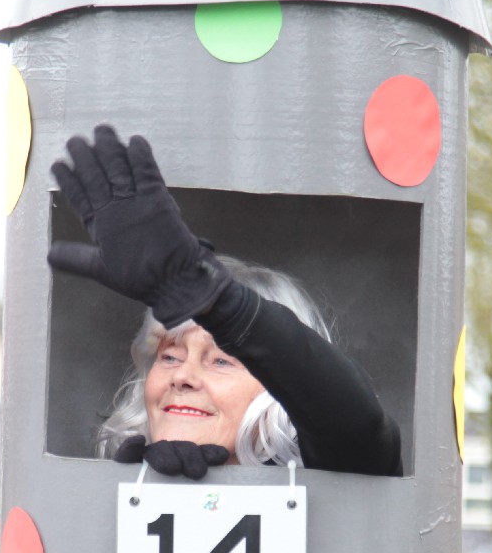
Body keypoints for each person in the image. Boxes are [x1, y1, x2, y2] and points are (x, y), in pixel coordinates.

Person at [49, 125, 402, 479]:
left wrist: (219, 303)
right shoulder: (124, 485)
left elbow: (356, 425)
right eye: (169, 356)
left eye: (221, 360)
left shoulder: (344, 462)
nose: (183, 377)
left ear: (281, 392)